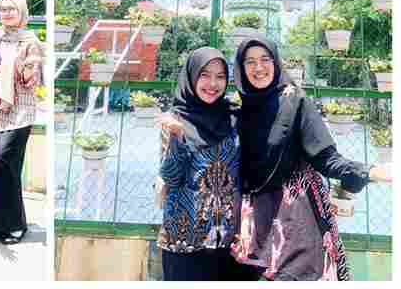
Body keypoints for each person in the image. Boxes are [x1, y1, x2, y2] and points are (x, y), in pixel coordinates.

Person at [229, 34, 392, 280]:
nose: (258, 67)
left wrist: (369, 171)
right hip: (252, 222)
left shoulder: (295, 102)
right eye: (249, 61)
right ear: (241, 68)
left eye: (265, 59)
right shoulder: (239, 111)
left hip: (296, 218)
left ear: (276, 62)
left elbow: (325, 157)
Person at [157, 47, 245, 281]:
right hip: (184, 240)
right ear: (192, 76)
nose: (213, 84)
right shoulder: (175, 119)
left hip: (228, 239)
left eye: (220, 76)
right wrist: (178, 138)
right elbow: (171, 178)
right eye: (204, 75)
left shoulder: (234, 117)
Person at [0, 0, 42, 245]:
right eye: (3, 9)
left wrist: (27, 70)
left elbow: (31, 80)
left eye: (11, 9)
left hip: (19, 110)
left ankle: (15, 224)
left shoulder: (29, 40)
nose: (6, 13)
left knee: (6, 163)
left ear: (21, 12)